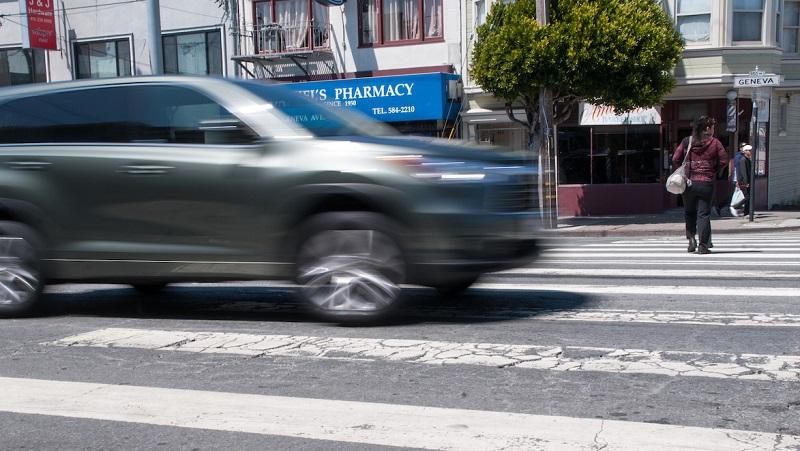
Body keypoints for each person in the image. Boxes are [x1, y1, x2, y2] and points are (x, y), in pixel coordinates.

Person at [672, 116, 729, 254]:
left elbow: (675, 158)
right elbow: (724, 160)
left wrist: (685, 169)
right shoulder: (715, 143)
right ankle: (703, 246)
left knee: (689, 212)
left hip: (689, 183)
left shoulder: (687, 141)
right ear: (708, 128)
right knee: (703, 214)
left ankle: (691, 239)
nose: (713, 129)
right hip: (706, 183)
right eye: (712, 127)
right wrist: (712, 170)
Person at [730, 143, 753, 217]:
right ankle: (736, 206)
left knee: (749, 197)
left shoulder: (747, 159)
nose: (750, 152)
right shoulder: (743, 159)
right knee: (747, 197)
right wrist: (746, 182)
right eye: (749, 150)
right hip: (743, 182)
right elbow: (743, 172)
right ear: (745, 151)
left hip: (746, 181)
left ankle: (747, 213)